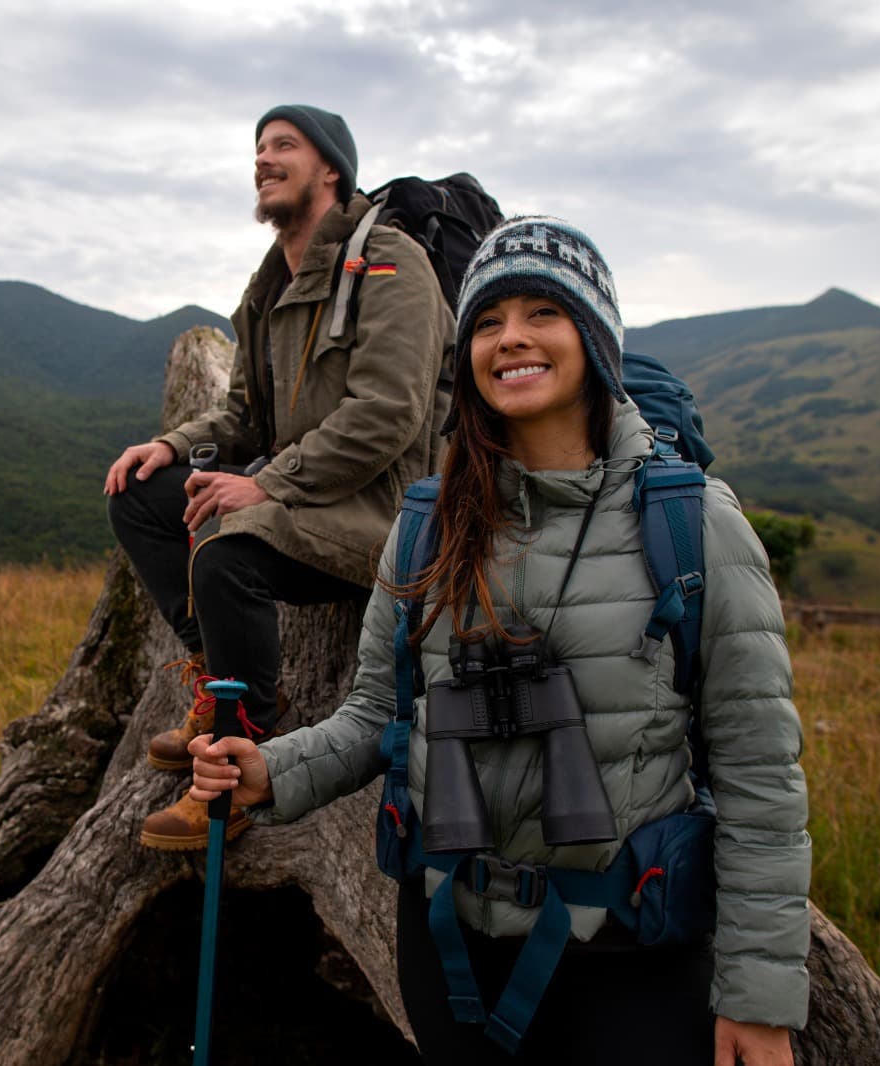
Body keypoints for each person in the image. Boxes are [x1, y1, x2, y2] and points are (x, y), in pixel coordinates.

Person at [190, 217, 810, 1064]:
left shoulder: (694, 523)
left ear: (594, 338)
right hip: (451, 946)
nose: (511, 337)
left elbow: (758, 776)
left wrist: (758, 998)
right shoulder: (429, 525)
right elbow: (375, 712)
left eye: (541, 313)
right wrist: (274, 769)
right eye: (487, 322)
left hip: (626, 956)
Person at [103, 105, 453, 849]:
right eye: (258, 148)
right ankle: (219, 677)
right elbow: (243, 417)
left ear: (331, 168)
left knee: (226, 543)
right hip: (308, 500)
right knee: (140, 495)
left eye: (283, 145)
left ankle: (242, 743)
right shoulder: (268, 289)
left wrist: (267, 486)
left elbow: (388, 413)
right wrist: (170, 446)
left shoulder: (390, 263)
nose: (263, 159)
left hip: (386, 515)